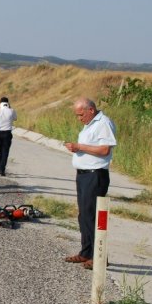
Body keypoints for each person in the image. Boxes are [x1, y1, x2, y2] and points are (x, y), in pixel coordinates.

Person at [64, 98, 116, 270]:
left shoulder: (103, 123)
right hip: (84, 175)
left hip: (95, 175)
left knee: (92, 216)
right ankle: (86, 252)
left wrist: (80, 147)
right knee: (84, 215)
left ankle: (100, 257)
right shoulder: (90, 124)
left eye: (81, 114)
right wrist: (76, 148)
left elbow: (104, 149)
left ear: (91, 110)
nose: (79, 118)